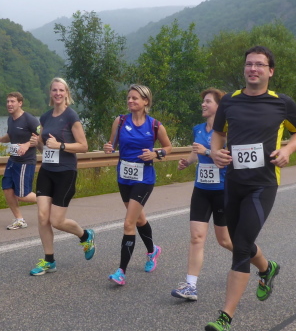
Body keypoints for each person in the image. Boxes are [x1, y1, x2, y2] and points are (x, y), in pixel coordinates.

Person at [204, 46, 296, 331]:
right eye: (249, 64)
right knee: (240, 241)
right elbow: (219, 133)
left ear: (270, 71)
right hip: (233, 182)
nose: (253, 69)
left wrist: (287, 150)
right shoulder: (230, 101)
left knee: (240, 246)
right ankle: (267, 268)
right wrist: (215, 152)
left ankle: (225, 318)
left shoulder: (282, 103)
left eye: (260, 65)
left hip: (263, 184)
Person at [103, 84, 172, 286]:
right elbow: (112, 145)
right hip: (124, 177)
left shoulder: (155, 125)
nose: (130, 101)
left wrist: (156, 153)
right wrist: (108, 148)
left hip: (144, 178)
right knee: (139, 219)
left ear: (145, 101)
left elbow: (168, 147)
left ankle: (121, 272)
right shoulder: (120, 121)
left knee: (128, 223)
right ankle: (153, 251)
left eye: (135, 98)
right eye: (129, 98)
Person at [28, 77, 94, 276]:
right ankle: (49, 261)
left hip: (65, 172)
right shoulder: (45, 117)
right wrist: (37, 144)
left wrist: (61, 145)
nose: (57, 93)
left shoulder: (71, 116)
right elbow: (45, 147)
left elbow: (84, 146)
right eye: (54, 90)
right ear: (50, 93)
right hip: (47, 171)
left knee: (56, 221)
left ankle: (85, 235)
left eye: (61, 90)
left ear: (66, 94)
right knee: (42, 217)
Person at [171, 88, 233, 301]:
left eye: (208, 101)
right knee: (196, 237)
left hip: (222, 191)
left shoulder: (227, 131)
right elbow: (196, 152)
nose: (203, 105)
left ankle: (253, 258)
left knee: (224, 240)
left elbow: (228, 157)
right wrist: (187, 162)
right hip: (201, 190)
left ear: (219, 106)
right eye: (203, 101)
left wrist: (207, 151)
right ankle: (190, 286)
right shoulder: (198, 128)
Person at [0, 92, 39, 230]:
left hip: (26, 161)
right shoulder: (11, 119)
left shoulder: (29, 119)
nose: (9, 104)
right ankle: (19, 220)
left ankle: (48, 200)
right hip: (13, 160)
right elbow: (11, 135)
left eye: (12, 101)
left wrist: (27, 145)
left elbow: (41, 135)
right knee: (7, 189)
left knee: (23, 195)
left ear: (20, 103)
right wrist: (1, 139)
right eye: (7, 101)